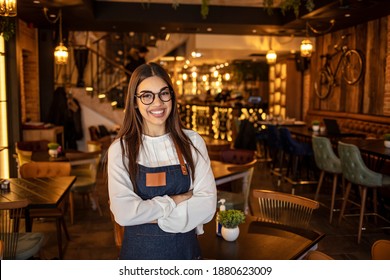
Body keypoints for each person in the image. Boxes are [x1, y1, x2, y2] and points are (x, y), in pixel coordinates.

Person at [108, 62, 217, 260]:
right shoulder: (121, 149)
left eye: (164, 93)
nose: (157, 103)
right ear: (135, 102)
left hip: (186, 255)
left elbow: (208, 206)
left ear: (172, 97)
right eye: (147, 96)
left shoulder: (192, 141)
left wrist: (148, 215)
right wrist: (176, 200)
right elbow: (124, 213)